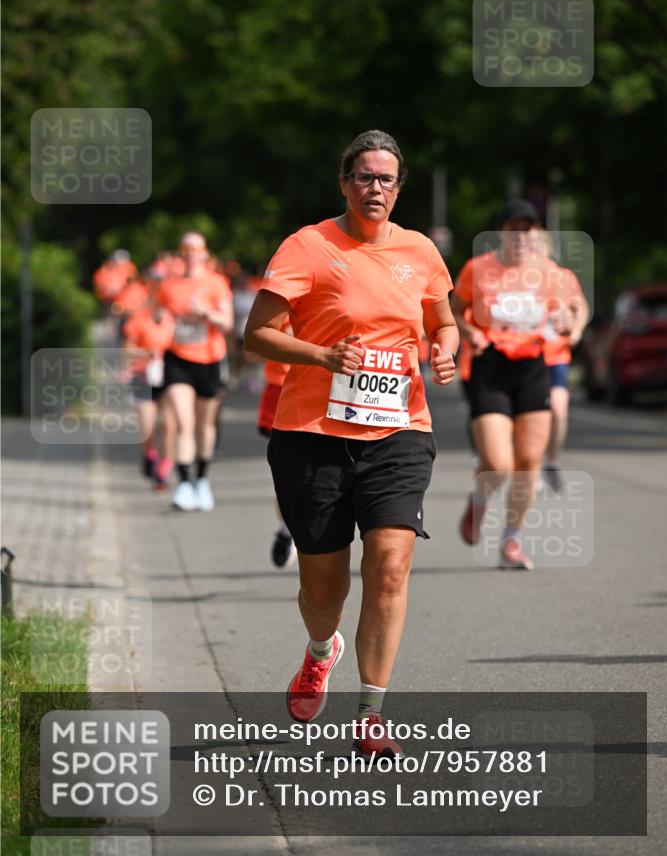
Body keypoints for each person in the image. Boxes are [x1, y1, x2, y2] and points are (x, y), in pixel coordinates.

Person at [245, 130, 458, 758]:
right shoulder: (308, 247)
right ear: (344, 183)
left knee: (390, 566)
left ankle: (371, 710)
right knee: (324, 588)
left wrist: (444, 349)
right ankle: (320, 652)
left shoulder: (419, 251)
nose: (375, 188)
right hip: (312, 435)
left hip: (399, 429)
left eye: (386, 179)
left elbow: (442, 320)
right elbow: (256, 334)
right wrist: (320, 354)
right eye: (364, 177)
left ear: (399, 187)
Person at [451, 199, 578, 570]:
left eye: (528, 228)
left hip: (532, 367)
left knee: (528, 462)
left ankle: (511, 541)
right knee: (497, 462)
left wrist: (568, 322)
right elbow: (455, 310)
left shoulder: (547, 272)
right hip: (490, 367)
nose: (521, 236)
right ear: (501, 232)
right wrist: (469, 331)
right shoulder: (478, 269)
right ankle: (479, 500)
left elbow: (570, 312)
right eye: (514, 228)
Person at [157, 232, 234, 511]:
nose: (190, 252)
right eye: (186, 248)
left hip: (210, 360)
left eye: (196, 248)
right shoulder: (169, 286)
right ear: (181, 252)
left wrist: (206, 313)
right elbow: (162, 320)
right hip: (177, 359)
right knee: (183, 422)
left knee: (204, 425)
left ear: (204, 253)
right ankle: (185, 485)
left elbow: (227, 323)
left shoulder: (216, 283)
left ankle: (201, 479)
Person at [529, 229, 589, 492]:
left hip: (555, 356)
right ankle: (529, 464)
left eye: (536, 245)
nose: (531, 251)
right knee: (530, 414)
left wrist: (576, 330)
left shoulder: (564, 277)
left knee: (558, 409)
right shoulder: (519, 279)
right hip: (526, 356)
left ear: (547, 249)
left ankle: (550, 463)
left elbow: (581, 307)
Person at [256, 317, 296, 568]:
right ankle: (287, 528)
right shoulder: (279, 289)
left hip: (331, 387)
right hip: (281, 388)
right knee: (288, 473)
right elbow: (251, 345)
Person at [122, 301, 176, 486]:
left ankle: (163, 469)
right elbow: (127, 351)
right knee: (148, 427)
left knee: (170, 425)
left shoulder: (175, 319)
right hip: (143, 377)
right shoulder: (139, 319)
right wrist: (146, 352)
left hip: (170, 376)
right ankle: (150, 455)